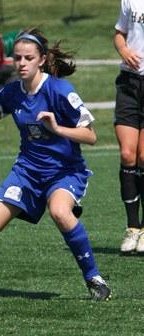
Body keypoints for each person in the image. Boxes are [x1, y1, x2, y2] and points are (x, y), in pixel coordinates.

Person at [0, 28, 112, 301]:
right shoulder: (11, 92)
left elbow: (91, 136)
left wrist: (57, 128)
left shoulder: (60, 90)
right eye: (17, 58)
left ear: (41, 60)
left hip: (64, 172)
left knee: (60, 212)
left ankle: (95, 279)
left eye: (28, 58)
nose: (21, 63)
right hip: (26, 173)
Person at [113, 0, 144, 254]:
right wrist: (123, 50)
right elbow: (120, 34)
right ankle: (132, 228)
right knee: (127, 154)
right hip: (129, 84)